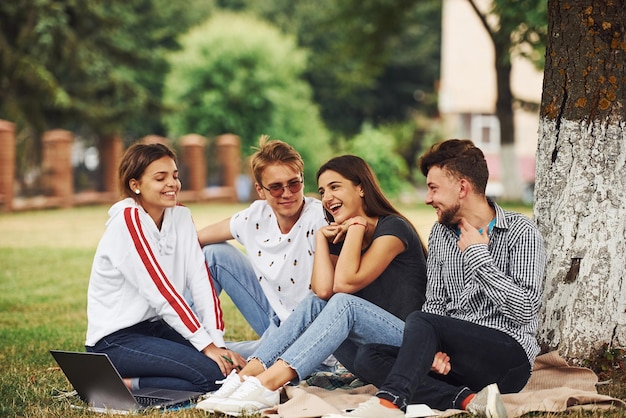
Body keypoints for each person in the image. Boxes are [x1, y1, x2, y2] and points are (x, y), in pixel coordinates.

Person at [327, 139, 547, 418]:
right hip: (455, 361)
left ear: (462, 188)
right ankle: (467, 400)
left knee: (419, 320)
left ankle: (390, 404)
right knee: (368, 356)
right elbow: (436, 304)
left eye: (433, 188)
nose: (427, 199)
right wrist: (431, 352)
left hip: (507, 360)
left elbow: (525, 311)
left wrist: (478, 257)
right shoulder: (441, 234)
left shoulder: (520, 232)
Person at [197, 154, 428, 416]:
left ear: (361, 187)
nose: (327, 197)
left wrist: (356, 226)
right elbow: (322, 292)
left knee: (344, 304)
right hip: (367, 356)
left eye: (335, 186)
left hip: (408, 342)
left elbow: (344, 285)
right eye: (322, 190)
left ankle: (266, 384)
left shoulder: (393, 229)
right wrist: (321, 238)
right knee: (320, 303)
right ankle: (245, 378)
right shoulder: (341, 235)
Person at [85, 142, 245, 393]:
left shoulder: (180, 217)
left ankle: (145, 378)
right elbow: (162, 293)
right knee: (213, 377)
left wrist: (217, 343)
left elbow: (200, 279)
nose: (172, 184)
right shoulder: (128, 222)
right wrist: (206, 347)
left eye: (175, 176)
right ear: (135, 184)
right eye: (161, 178)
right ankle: (117, 382)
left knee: (230, 371)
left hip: (156, 329)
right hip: (115, 341)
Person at [196, 135, 328, 359]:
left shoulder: (319, 220)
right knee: (215, 254)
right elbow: (196, 239)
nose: (287, 193)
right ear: (260, 190)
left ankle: (193, 350)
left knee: (212, 356)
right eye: (276, 187)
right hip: (274, 316)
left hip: (308, 335)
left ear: (302, 180)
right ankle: (188, 335)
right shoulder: (256, 216)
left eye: (294, 184)